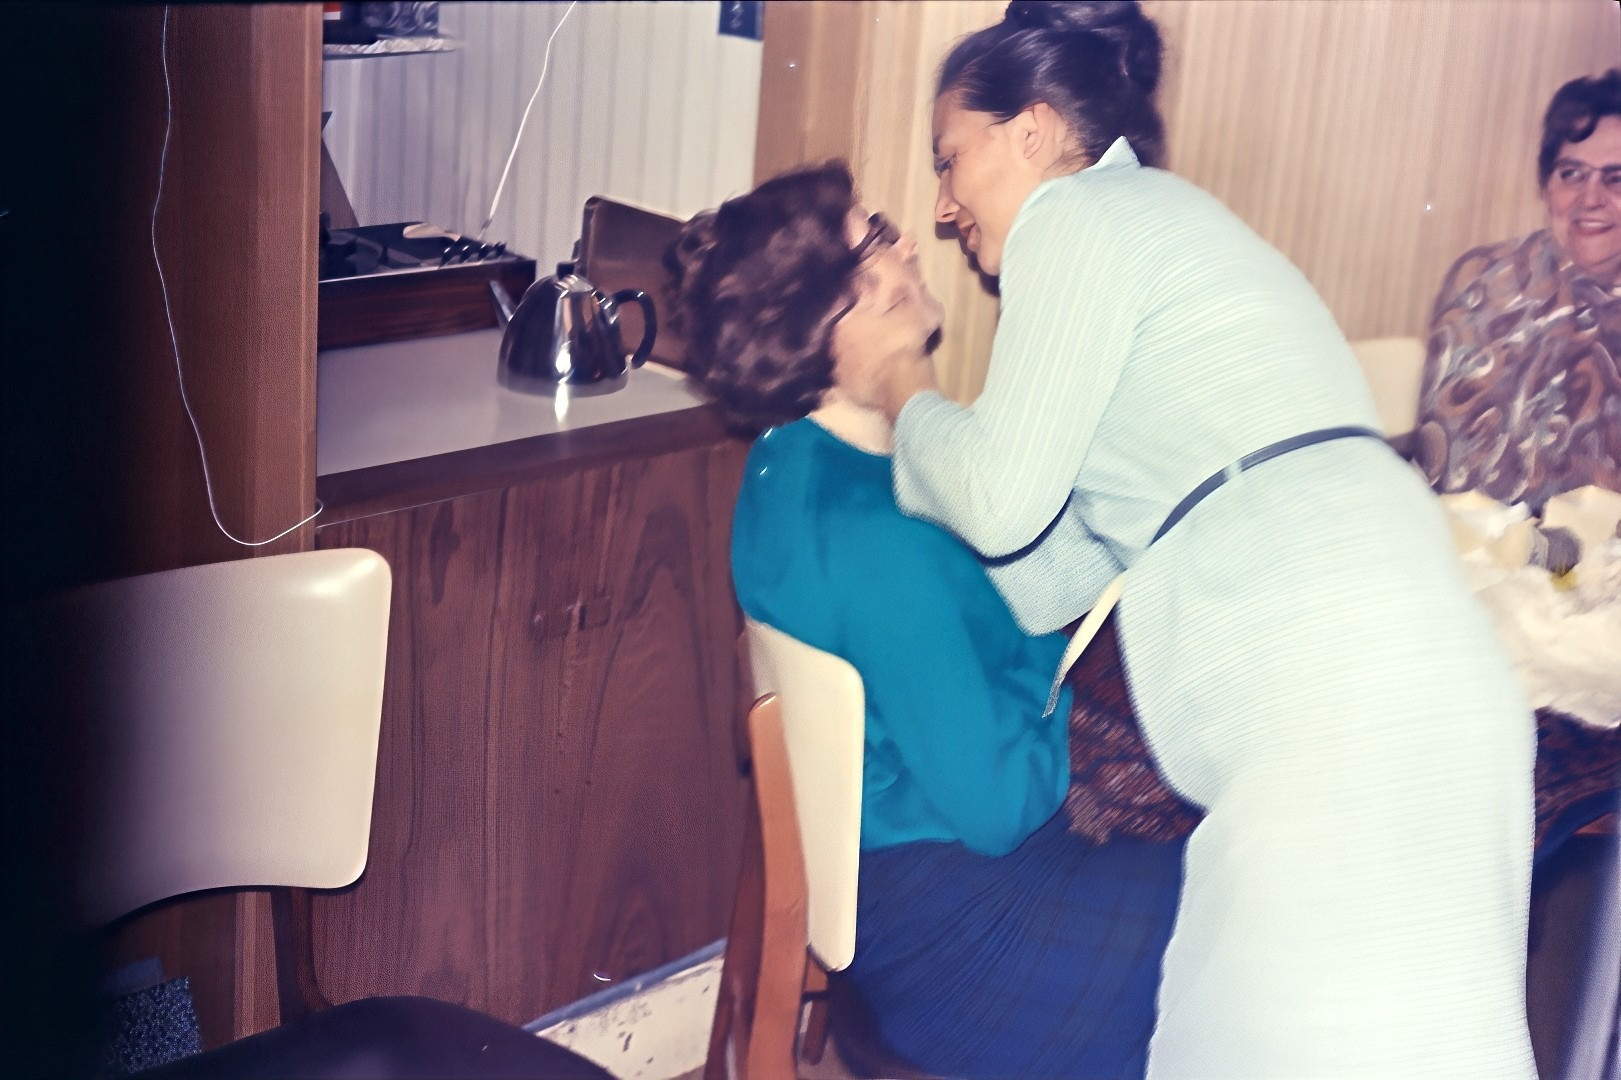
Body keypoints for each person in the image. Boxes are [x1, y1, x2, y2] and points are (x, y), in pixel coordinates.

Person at [871, 2, 1538, 1076]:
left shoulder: (1071, 220)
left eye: (949, 159)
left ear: (1029, 131)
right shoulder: (1156, 222)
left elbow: (996, 499)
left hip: (1331, 686)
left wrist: (904, 391)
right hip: (1409, 661)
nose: (943, 206)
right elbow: (1051, 577)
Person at [667, 162, 1188, 1079]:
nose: (910, 241)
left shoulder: (785, 464)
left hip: (887, 890)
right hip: (972, 942)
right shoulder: (877, 535)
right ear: (829, 314)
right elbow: (1001, 805)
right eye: (876, 238)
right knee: (1264, 907)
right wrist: (1053, 682)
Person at [1414, 68, 1621, 514]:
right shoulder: (1485, 283)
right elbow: (1443, 462)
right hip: (1474, 540)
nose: (1590, 198)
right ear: (1546, 186)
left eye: (1616, 178)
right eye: (1571, 173)